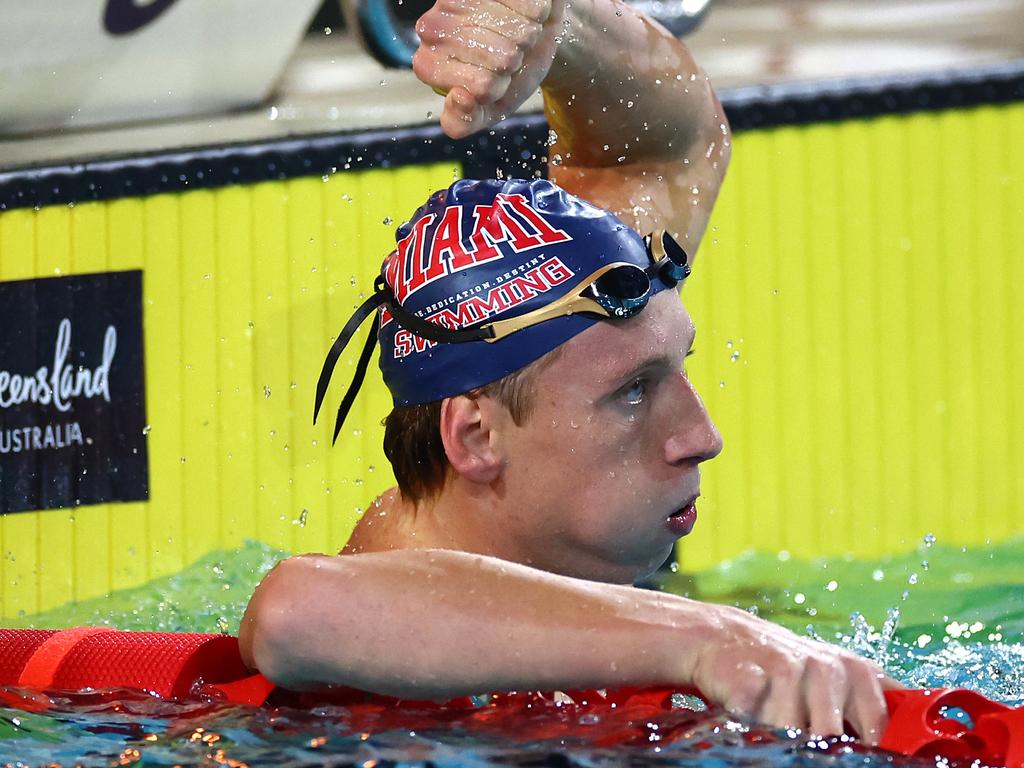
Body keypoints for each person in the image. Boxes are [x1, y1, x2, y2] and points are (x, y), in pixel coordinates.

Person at [240, 0, 897, 744]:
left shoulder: (591, 338)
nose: (702, 437)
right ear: (477, 436)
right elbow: (297, 612)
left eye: (677, 367)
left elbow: (661, 148)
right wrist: (708, 636)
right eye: (632, 392)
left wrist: (568, 27)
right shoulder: (382, 619)